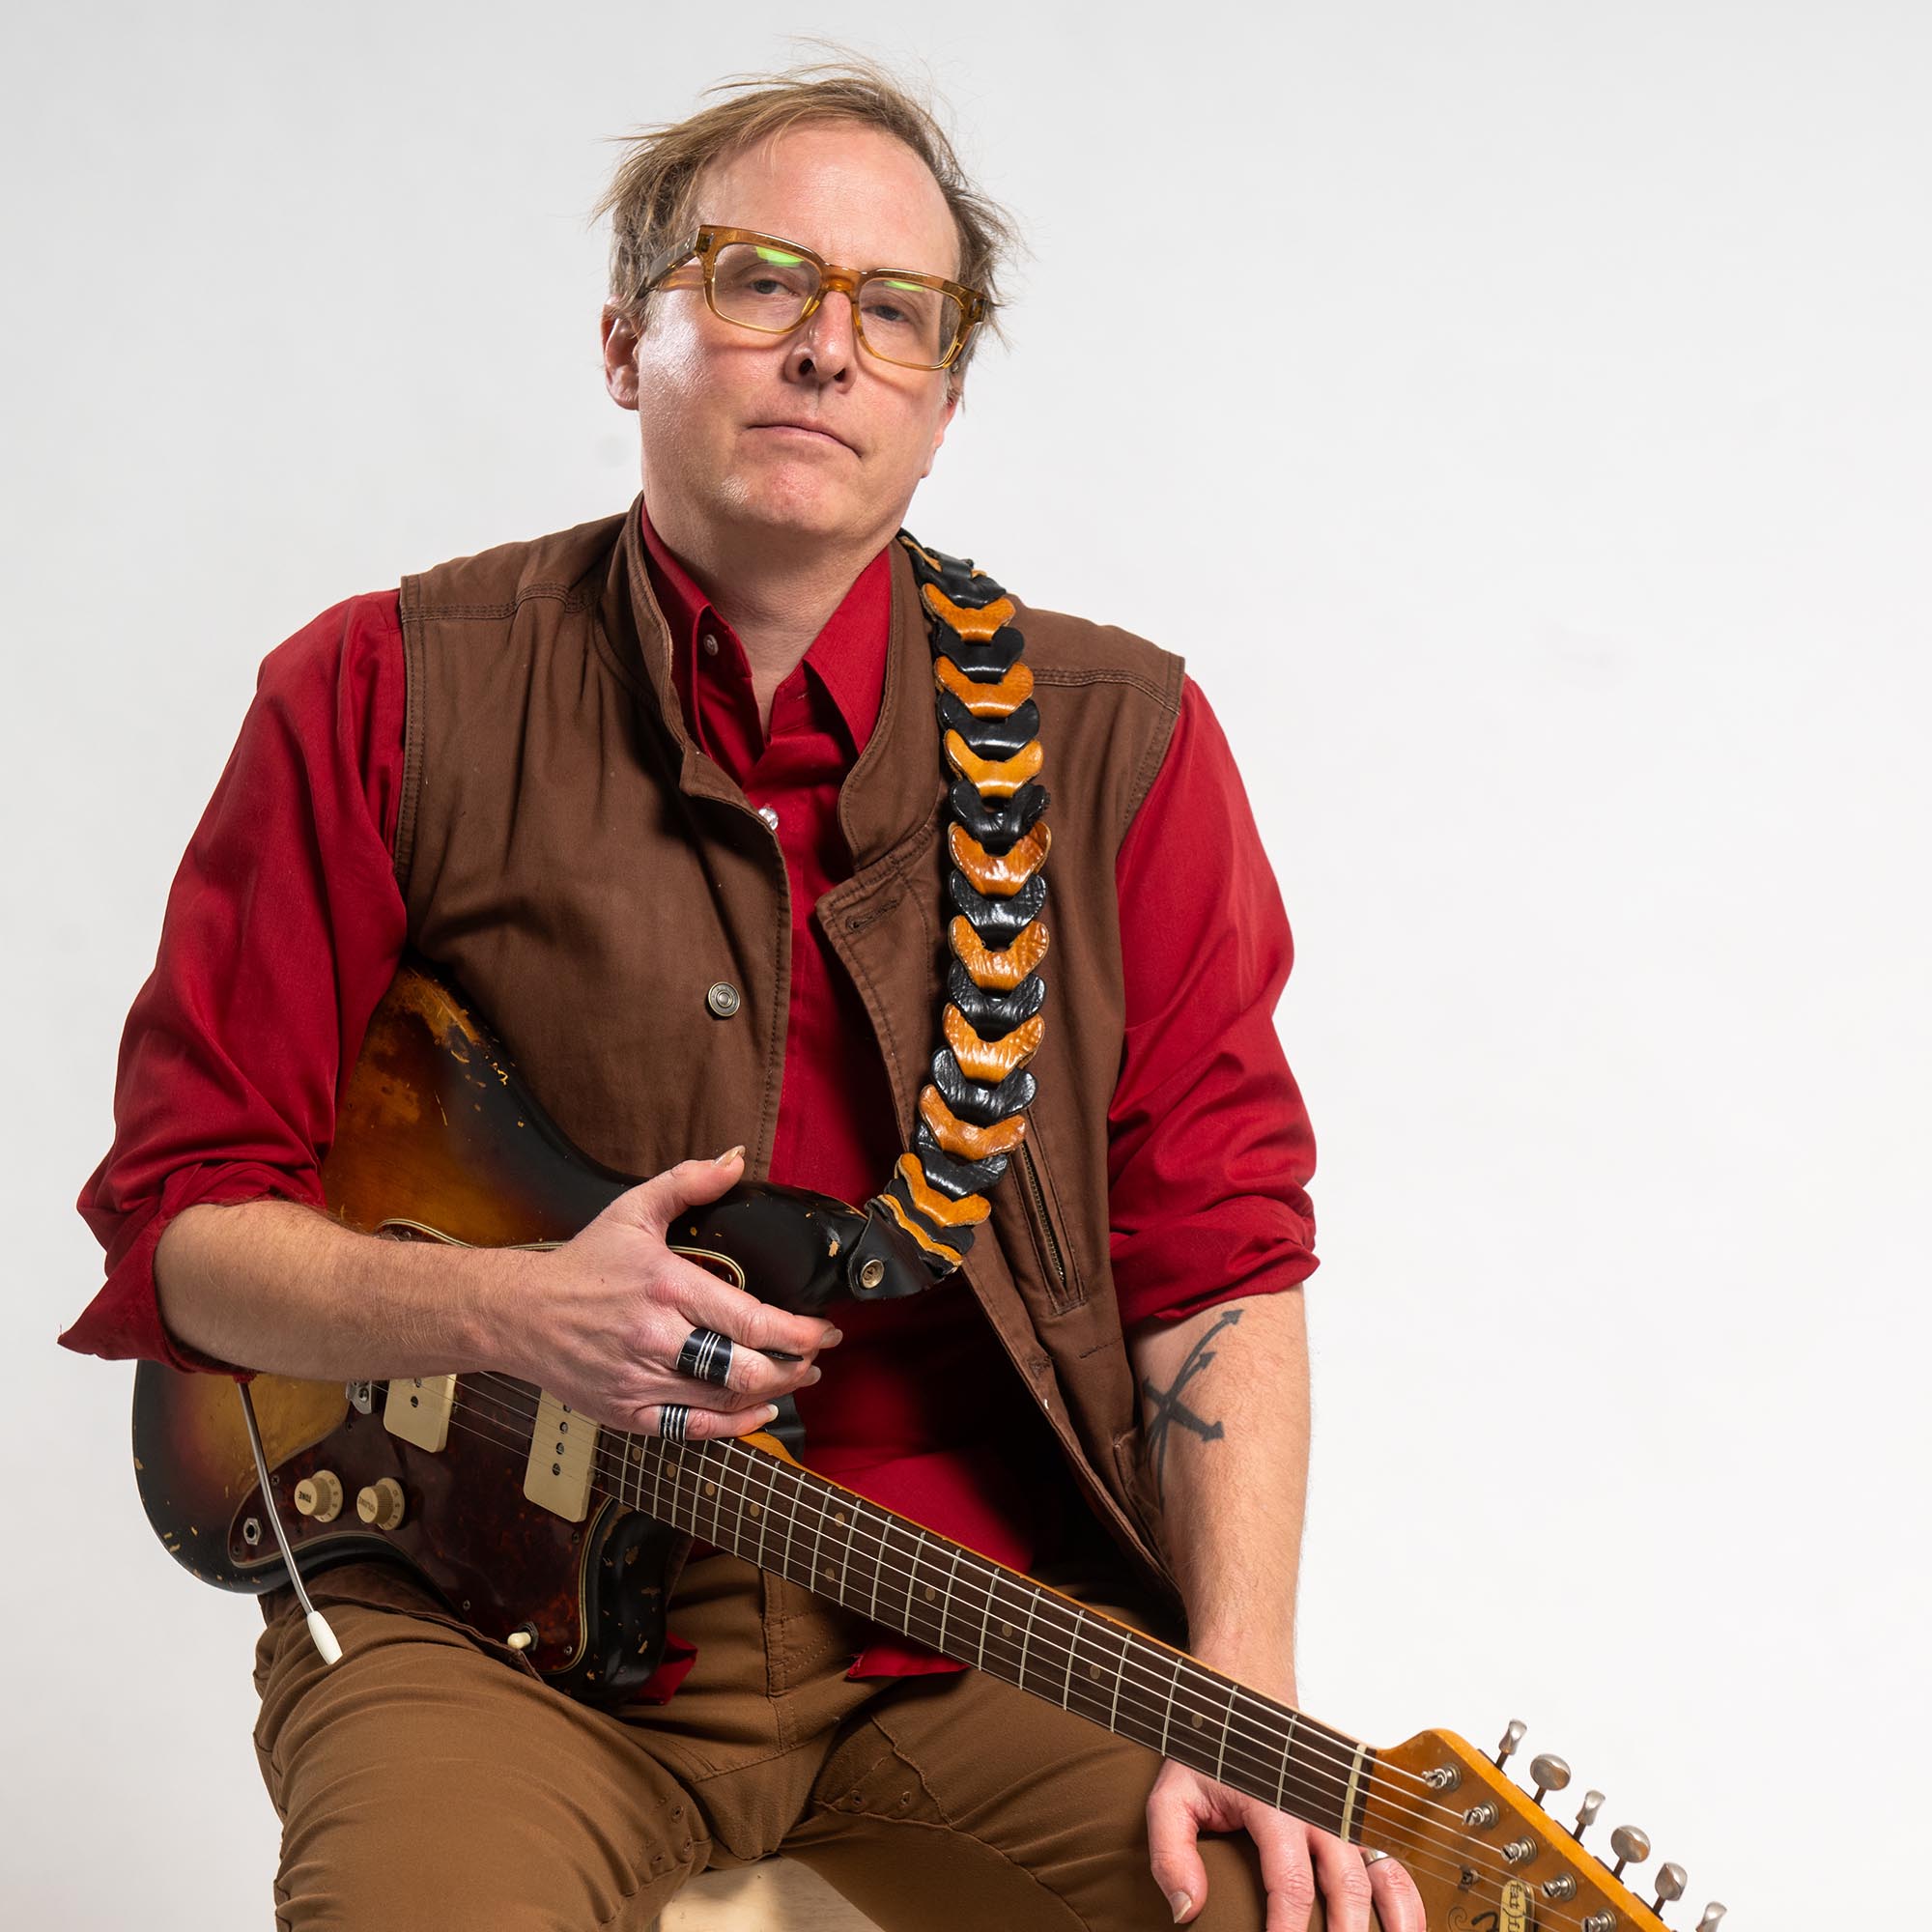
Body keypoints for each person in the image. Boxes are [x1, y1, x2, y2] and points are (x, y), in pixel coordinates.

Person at [65, 61, 1423, 1932]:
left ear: (945, 395)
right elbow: (182, 1230)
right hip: (483, 1614)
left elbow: (1216, 1258)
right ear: (631, 341)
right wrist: (512, 1310)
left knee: (1368, 1907)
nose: (827, 349)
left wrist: (1239, 1681)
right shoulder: (379, 687)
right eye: (759, 280)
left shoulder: (1123, 740)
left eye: (895, 309)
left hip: (965, 1617)